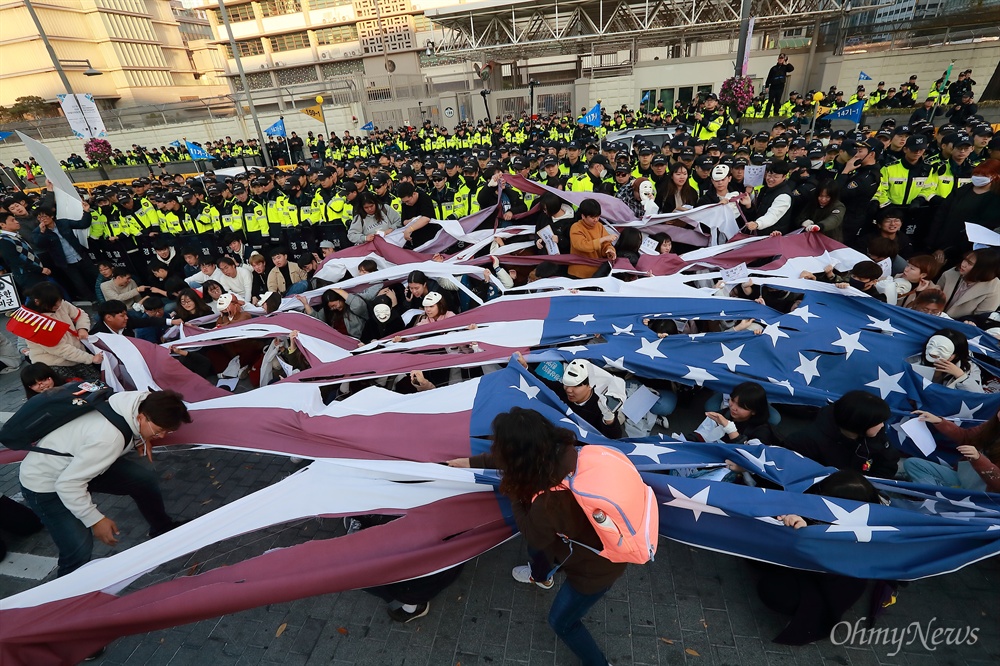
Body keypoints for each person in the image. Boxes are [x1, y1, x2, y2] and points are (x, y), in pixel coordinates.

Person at [490, 407, 626, 666]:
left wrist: (514, 492)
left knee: (562, 622)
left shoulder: (547, 503)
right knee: (540, 553)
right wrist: (467, 463)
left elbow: (532, 534)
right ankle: (540, 576)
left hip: (594, 571)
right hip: (600, 544)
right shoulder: (570, 453)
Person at [18, 389, 191, 577]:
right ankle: (68, 596)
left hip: (80, 465)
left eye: (167, 431)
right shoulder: (109, 439)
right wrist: (96, 519)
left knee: (143, 480)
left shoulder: (138, 400)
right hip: (45, 483)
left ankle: (162, 528)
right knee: (78, 549)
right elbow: (68, 484)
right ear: (141, 417)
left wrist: (145, 437)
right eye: (158, 431)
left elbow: (136, 426)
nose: (163, 436)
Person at [757, 470, 881, 645]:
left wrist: (806, 533)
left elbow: (826, 563)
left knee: (773, 591)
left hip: (828, 583)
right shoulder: (848, 507)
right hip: (813, 566)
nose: (821, 500)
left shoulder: (863, 536)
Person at [785, 390, 899, 479]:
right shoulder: (805, 442)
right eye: (878, 422)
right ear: (861, 423)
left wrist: (870, 486)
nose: (882, 425)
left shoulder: (875, 434)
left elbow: (889, 462)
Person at [21, 282, 103, 381]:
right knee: (78, 388)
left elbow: (80, 314)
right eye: (53, 303)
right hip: (54, 362)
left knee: (98, 380)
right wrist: (90, 359)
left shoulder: (60, 304)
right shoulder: (33, 322)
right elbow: (61, 349)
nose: (58, 305)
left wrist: (82, 328)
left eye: (59, 301)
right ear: (38, 302)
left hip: (76, 354)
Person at [905, 408, 1000, 492]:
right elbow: (965, 436)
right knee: (913, 464)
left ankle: (939, 500)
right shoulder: (992, 426)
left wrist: (978, 459)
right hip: (962, 477)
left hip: (984, 493)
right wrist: (938, 421)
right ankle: (936, 497)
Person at [702, 382, 783, 446]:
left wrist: (729, 428)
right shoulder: (722, 414)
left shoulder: (762, 431)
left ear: (754, 411)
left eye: (741, 406)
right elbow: (700, 436)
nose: (733, 408)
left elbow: (750, 456)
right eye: (732, 400)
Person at [906, 329, 983, 392]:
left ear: (955, 355)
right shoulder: (912, 359)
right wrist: (935, 375)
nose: (933, 352)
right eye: (931, 345)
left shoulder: (970, 368)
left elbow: (978, 395)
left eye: (941, 349)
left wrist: (961, 376)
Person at [935, 248, 1000, 318]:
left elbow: (980, 318)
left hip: (958, 325)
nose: (963, 264)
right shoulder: (951, 273)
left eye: (969, 263)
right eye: (965, 260)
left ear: (982, 269)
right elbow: (933, 295)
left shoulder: (994, 289)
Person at [568, 198, 616, 279]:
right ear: (583, 216)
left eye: (598, 217)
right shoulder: (576, 227)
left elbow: (606, 244)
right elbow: (583, 246)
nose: (596, 220)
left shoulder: (599, 226)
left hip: (597, 272)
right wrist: (602, 239)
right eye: (593, 217)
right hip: (579, 273)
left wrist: (610, 250)